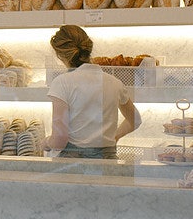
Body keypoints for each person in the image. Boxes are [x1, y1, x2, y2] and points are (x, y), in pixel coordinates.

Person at [43, 24, 141, 159]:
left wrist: (45, 142)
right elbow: (135, 120)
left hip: (73, 166)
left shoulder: (62, 82)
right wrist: (114, 137)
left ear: (60, 55)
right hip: (108, 162)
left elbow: (59, 140)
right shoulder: (114, 82)